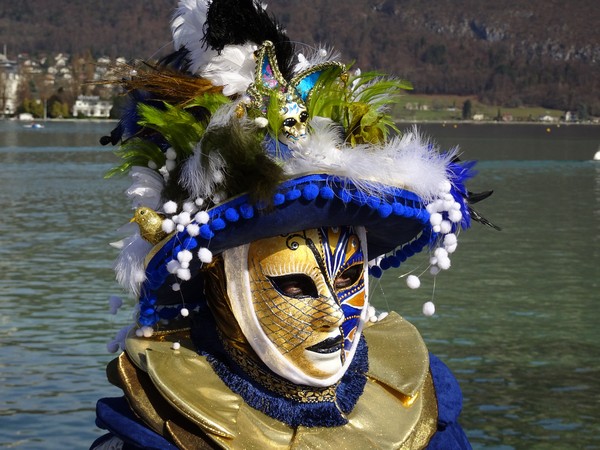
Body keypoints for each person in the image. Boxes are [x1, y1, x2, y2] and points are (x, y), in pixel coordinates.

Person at [92, 1, 492, 448]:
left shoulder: (422, 410)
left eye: (348, 276)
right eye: (296, 284)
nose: (336, 317)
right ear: (217, 276)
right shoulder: (163, 433)